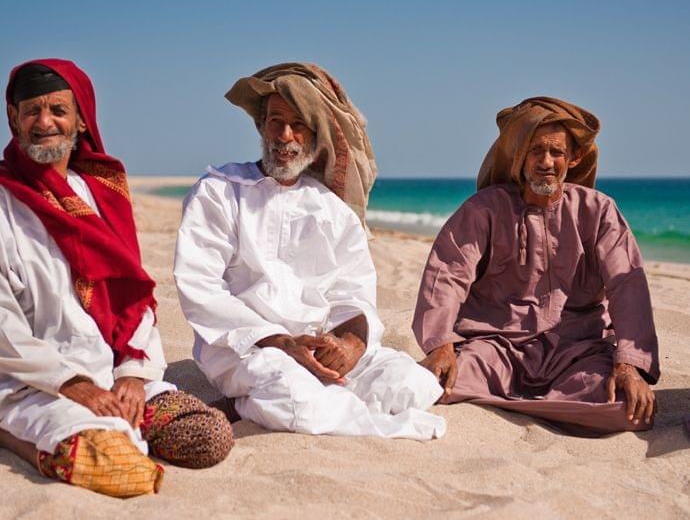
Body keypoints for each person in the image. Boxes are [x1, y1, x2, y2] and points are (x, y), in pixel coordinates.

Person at [0, 59, 233, 498]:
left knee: (207, 436)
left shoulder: (102, 194)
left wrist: (131, 375)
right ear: (14, 119)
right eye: (31, 111)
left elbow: (132, 298)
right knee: (122, 470)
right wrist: (73, 384)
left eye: (58, 110)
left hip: (110, 373)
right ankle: (1, 430)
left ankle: (109, 415)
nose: (44, 122)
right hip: (28, 381)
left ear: (81, 119)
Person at [173, 62, 446, 440]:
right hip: (248, 347)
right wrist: (280, 341)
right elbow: (200, 287)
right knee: (293, 396)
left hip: (320, 346)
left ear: (315, 137)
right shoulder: (220, 190)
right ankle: (249, 402)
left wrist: (348, 345)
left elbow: (353, 291)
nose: (285, 136)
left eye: (298, 124)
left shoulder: (332, 210)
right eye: (275, 122)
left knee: (412, 385)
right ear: (261, 127)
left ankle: (326, 397)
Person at [413, 96, 660, 436]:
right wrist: (440, 345)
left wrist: (630, 364)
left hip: (576, 350)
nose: (547, 162)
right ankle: (542, 403)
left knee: (629, 410)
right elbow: (447, 275)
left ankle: (526, 400)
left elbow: (626, 286)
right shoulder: (484, 209)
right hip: (496, 347)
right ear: (520, 157)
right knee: (431, 386)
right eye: (536, 151)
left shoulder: (599, 211)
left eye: (557, 152)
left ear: (572, 159)